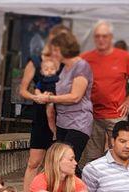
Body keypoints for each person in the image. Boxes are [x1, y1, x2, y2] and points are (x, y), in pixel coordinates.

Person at [20, 24, 69, 192]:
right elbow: (23, 90)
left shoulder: (67, 63)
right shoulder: (35, 60)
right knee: (34, 162)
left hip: (62, 113)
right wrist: (36, 97)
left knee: (58, 162)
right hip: (41, 114)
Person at [81, 20, 129, 163]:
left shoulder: (123, 57)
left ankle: (120, 183)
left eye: (104, 36)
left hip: (116, 113)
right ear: (94, 38)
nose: (101, 39)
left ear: (111, 37)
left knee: (121, 154)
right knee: (91, 157)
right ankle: (94, 184)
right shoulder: (86, 58)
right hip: (92, 114)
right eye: (97, 36)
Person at [34, 31, 93, 176]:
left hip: (79, 122)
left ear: (64, 49)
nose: (53, 53)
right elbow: (58, 92)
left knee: (67, 163)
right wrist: (49, 94)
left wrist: (50, 99)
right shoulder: (63, 69)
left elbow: (75, 96)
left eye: (55, 50)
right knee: (61, 164)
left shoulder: (81, 66)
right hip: (62, 122)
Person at [34, 59, 59, 140]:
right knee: (50, 115)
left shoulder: (58, 79)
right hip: (49, 102)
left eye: (52, 69)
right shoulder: (42, 81)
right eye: (46, 69)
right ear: (41, 72)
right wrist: (40, 95)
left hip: (59, 100)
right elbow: (37, 90)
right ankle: (54, 132)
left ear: (56, 70)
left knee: (59, 116)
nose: (49, 71)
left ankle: (58, 131)